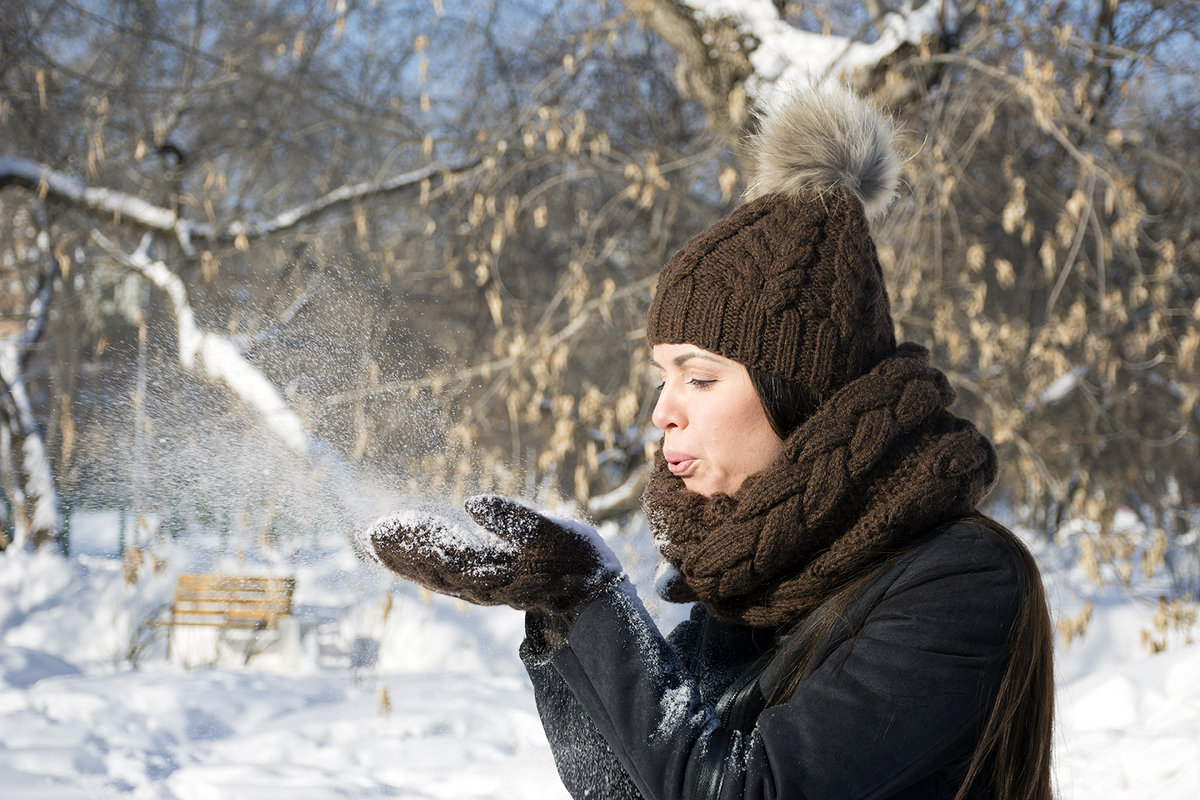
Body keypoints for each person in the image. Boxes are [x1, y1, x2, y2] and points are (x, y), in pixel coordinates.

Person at [366, 84, 1055, 800]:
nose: (663, 411)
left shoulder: (958, 579)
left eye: (698, 377)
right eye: (662, 377)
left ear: (803, 390)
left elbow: (746, 791)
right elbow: (621, 790)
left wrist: (596, 599)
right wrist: (557, 612)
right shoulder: (751, 581)